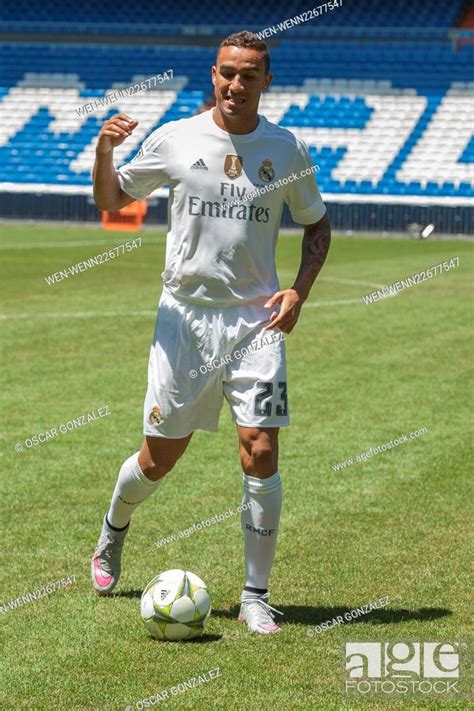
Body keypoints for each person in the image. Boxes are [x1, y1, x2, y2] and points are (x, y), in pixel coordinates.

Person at [91, 30, 331, 634]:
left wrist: (298, 290)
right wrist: (103, 149)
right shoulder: (177, 138)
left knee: (261, 447)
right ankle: (114, 530)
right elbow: (112, 196)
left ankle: (255, 594)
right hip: (184, 320)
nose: (236, 84)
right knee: (158, 460)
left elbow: (318, 226)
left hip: (256, 322)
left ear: (265, 81)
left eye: (249, 74)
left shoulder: (286, 148)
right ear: (214, 73)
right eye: (228, 72)